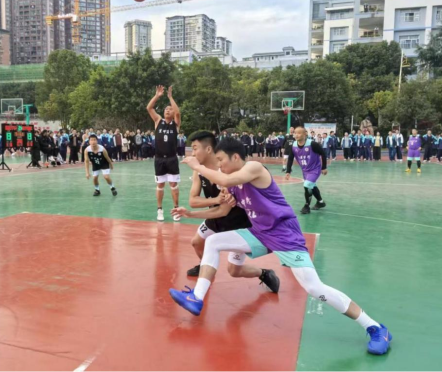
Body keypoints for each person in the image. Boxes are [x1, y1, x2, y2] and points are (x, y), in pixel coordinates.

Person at [170, 138, 392, 356]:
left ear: (235, 157)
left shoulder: (254, 168)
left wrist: (198, 167)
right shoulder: (234, 186)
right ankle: (196, 298)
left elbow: (225, 179)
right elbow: (221, 211)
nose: (219, 165)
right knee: (213, 241)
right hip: (259, 233)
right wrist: (190, 214)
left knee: (314, 288)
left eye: (221, 160)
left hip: (284, 235)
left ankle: (376, 328)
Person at [182, 131, 275, 285]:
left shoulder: (227, 171)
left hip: (237, 223)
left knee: (234, 271)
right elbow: (193, 201)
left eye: (195, 148)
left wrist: (192, 213)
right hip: (215, 217)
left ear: (208, 149)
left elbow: (223, 210)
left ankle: (264, 273)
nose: (192, 153)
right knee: (197, 242)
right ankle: (206, 267)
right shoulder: (199, 171)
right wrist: (215, 199)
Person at [147, 85, 181, 222]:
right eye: (166, 108)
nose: (168, 110)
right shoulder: (158, 121)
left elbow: (178, 113)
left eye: (170, 109)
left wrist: (170, 97)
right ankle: (159, 210)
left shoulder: (175, 124)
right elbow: (149, 108)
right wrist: (157, 96)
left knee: (173, 185)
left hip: (172, 159)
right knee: (160, 185)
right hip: (159, 159)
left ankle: (176, 210)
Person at [285, 127, 327, 215]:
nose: (296, 135)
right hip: (305, 170)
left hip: (315, 168)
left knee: (307, 185)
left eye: (299, 133)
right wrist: (288, 171)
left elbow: (323, 153)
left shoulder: (312, 144)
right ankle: (320, 202)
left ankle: (307, 205)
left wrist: (324, 167)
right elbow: (290, 158)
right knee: (312, 186)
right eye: (295, 133)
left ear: (305, 134)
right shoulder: (294, 145)